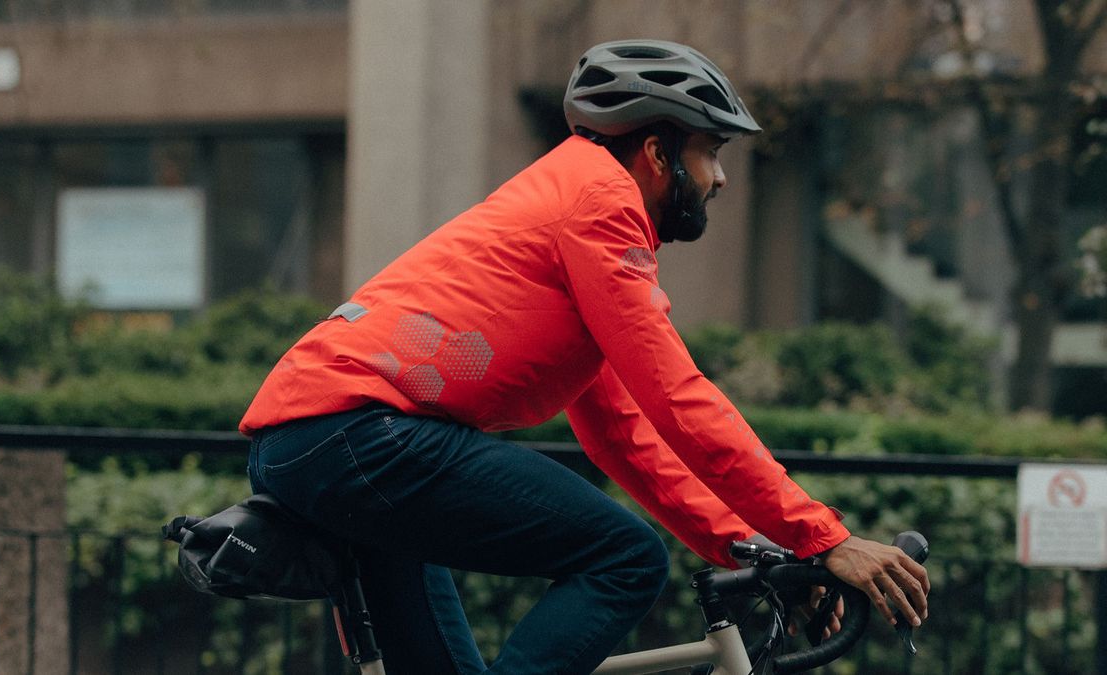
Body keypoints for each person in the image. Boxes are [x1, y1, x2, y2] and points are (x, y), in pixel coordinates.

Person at [240, 38, 929, 674]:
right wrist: (821, 535)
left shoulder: (572, 203)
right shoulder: (601, 203)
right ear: (658, 154)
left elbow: (624, 434)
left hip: (326, 443)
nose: (719, 178)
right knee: (624, 558)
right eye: (711, 151)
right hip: (360, 436)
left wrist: (749, 545)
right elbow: (677, 395)